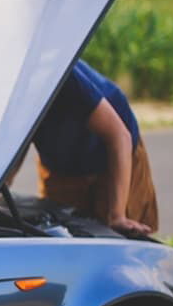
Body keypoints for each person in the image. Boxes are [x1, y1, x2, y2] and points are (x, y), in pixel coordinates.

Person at [27, 59, 159, 236]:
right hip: (61, 163)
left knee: (119, 236)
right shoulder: (2, 91)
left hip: (114, 153)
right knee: (60, 235)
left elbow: (119, 137)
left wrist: (117, 215)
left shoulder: (61, 75)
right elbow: (13, 146)